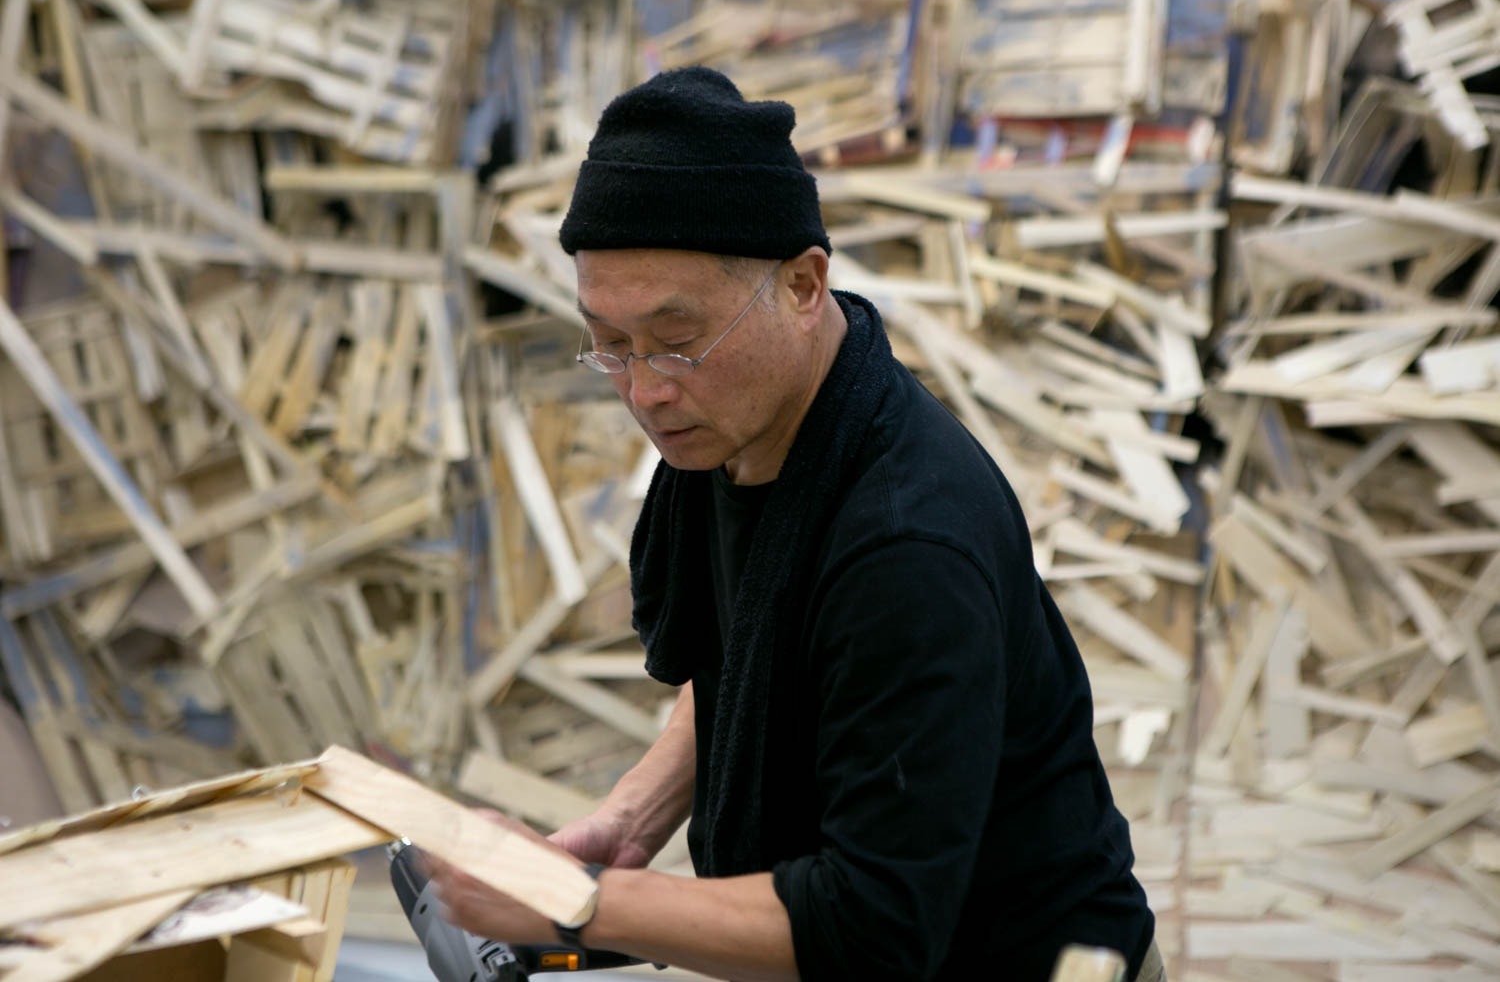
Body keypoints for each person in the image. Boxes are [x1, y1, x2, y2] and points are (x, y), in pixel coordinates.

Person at [429, 66, 1163, 982]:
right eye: (610, 345)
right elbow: (753, 655)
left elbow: (874, 926)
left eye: (676, 338)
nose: (647, 390)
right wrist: (632, 818)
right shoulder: (735, 425)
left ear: (805, 285)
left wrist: (587, 903)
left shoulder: (904, 545)